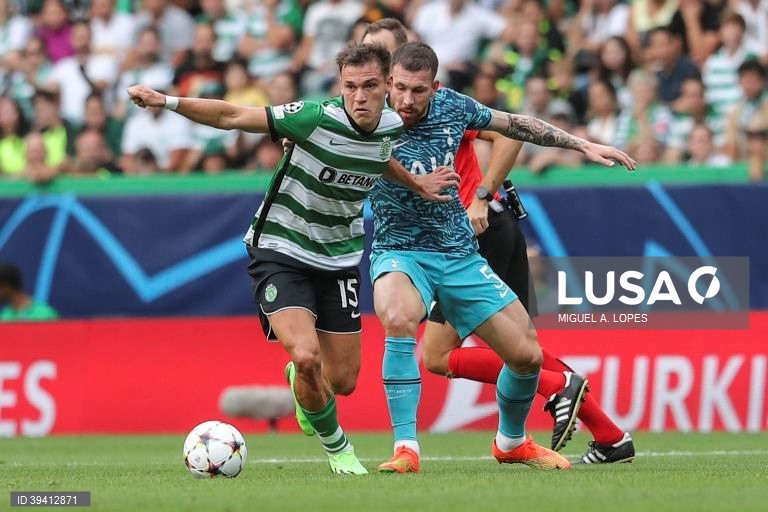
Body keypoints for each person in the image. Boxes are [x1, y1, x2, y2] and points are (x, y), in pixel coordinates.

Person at [127, 43, 457, 475]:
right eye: (350, 86)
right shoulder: (314, 118)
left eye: (370, 86)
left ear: (388, 88)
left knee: (343, 381)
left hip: (338, 257)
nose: (359, 96)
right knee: (306, 355)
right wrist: (165, 101)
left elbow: (379, 155)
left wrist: (415, 182)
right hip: (281, 248)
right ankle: (339, 449)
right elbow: (231, 116)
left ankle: (301, 385)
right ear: (341, 86)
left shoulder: (392, 125)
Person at [363, 18, 635, 469]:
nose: (400, 95)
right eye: (393, 84)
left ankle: (538, 413)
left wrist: (485, 194)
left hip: (474, 233)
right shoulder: (367, 109)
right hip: (411, 247)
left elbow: (512, 128)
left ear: (427, 79)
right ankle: (409, 448)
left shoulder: (450, 107)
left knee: (504, 351)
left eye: (378, 53)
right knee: (414, 329)